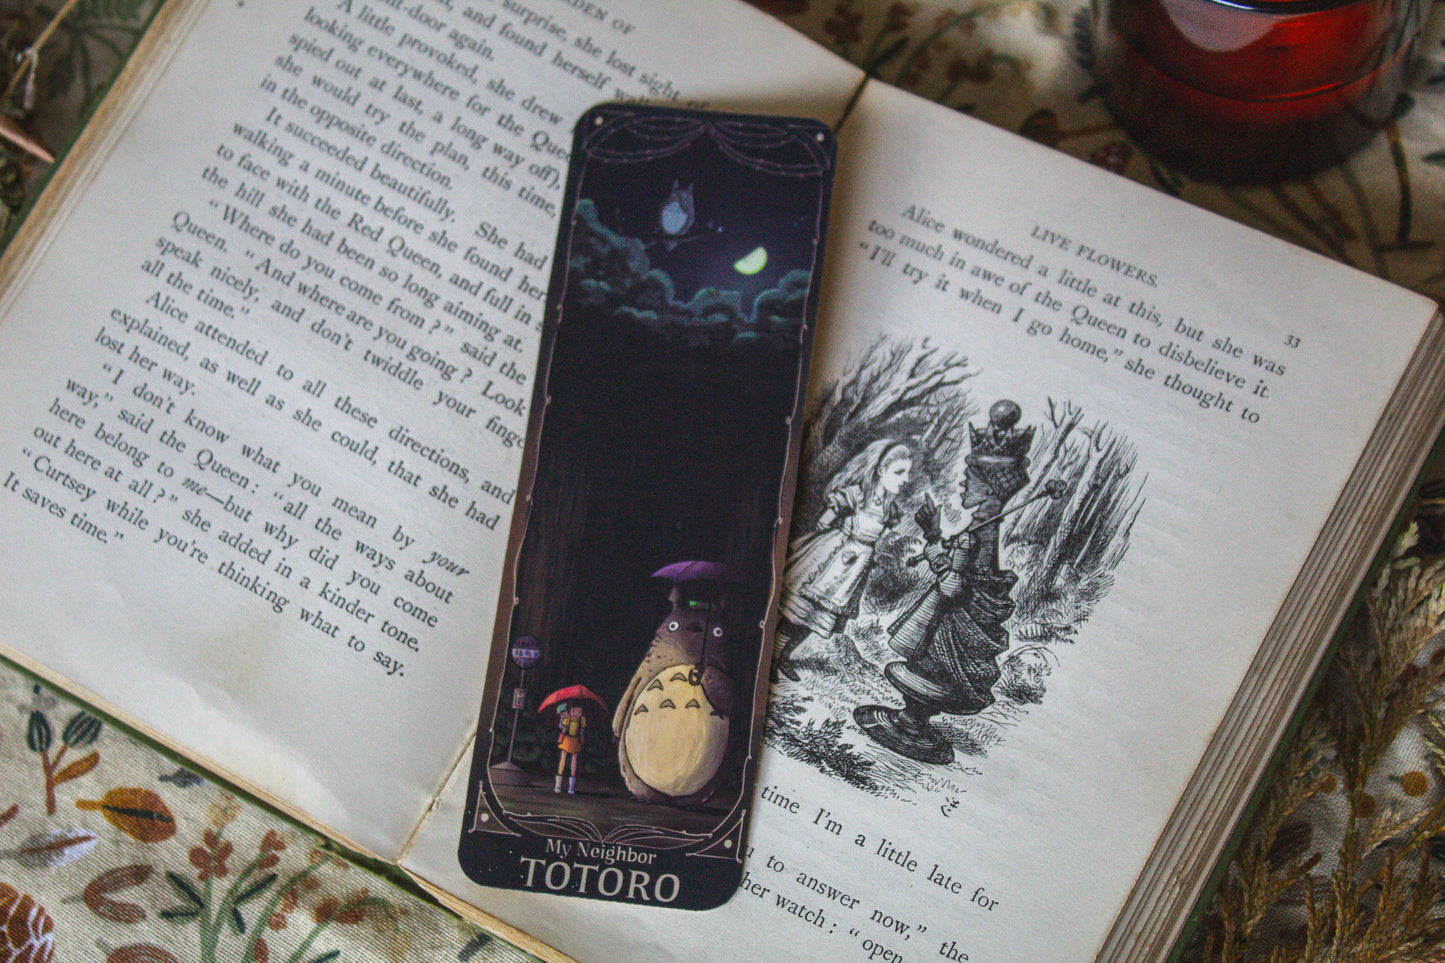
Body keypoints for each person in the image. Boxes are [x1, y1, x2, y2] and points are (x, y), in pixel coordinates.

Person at [775, 439, 913, 681]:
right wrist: (828, 519)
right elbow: (831, 512)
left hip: (854, 568)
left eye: (907, 473)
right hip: (833, 555)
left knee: (818, 616)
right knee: (799, 608)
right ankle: (772, 654)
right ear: (882, 470)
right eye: (899, 472)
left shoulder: (890, 509)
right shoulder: (858, 494)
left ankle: (784, 657)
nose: (905, 479)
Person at [554, 702, 585, 794]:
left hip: (575, 740)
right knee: (563, 759)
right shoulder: (567, 720)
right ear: (569, 711)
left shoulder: (581, 721)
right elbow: (563, 730)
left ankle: (571, 787)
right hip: (567, 740)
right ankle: (558, 785)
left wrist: (581, 734)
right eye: (573, 711)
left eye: (579, 712)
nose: (576, 714)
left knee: (574, 760)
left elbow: (582, 731)